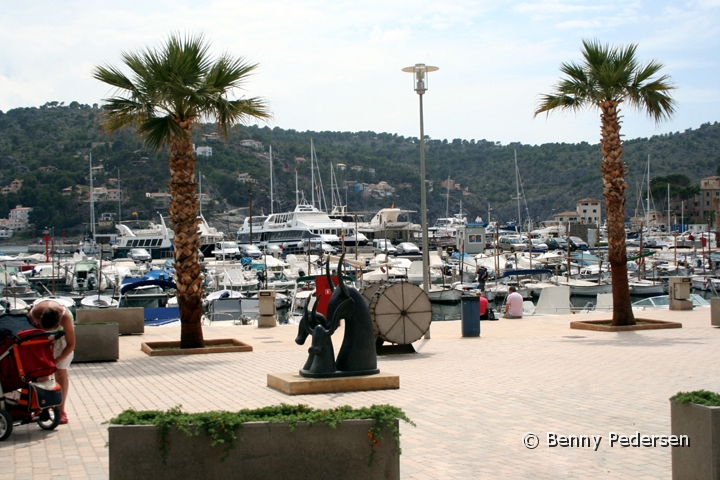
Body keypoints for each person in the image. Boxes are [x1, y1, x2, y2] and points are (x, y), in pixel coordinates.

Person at [27, 300, 75, 425]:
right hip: (39, 335)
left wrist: (58, 359)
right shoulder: (33, 315)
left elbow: (71, 344)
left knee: (60, 371)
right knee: (42, 373)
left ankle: (61, 410)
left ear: (58, 322)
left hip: (62, 335)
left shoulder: (64, 317)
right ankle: (42, 407)